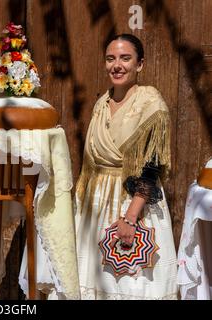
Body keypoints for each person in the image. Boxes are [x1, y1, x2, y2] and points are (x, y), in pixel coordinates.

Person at [74, 34, 178, 299]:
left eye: (125, 58)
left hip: (133, 201)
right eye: (111, 59)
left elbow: (152, 167)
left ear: (139, 64)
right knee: (95, 280)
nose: (116, 65)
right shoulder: (101, 103)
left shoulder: (151, 104)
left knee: (132, 283)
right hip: (97, 202)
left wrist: (131, 217)